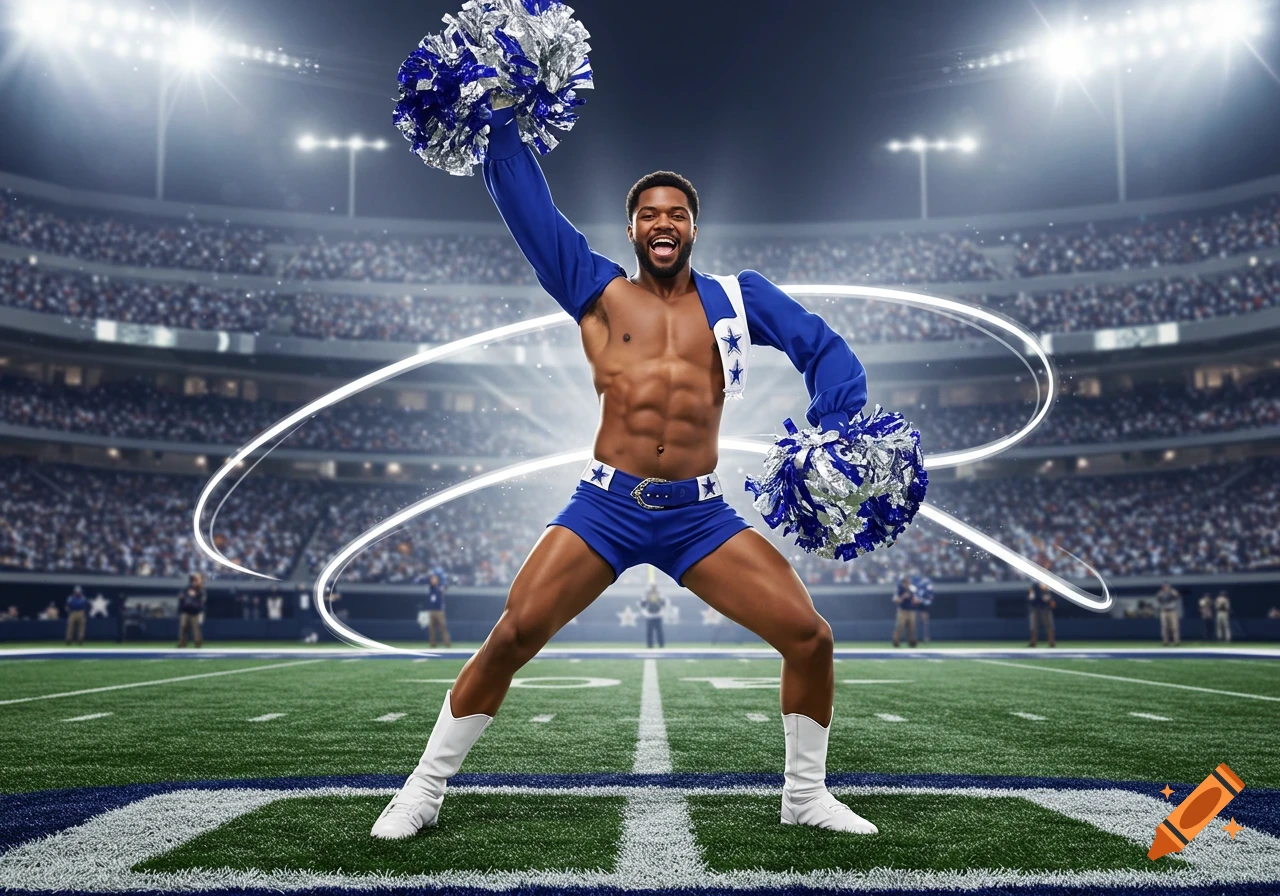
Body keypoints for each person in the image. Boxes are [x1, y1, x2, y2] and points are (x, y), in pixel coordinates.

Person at [371, 103, 877, 839]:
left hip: (700, 516)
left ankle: (804, 797)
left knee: (810, 637)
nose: (662, 223)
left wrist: (837, 425)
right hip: (605, 506)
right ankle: (422, 789)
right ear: (632, 229)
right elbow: (529, 207)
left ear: (694, 227)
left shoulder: (741, 298)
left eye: (676, 213)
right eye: (648, 214)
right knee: (513, 632)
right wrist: (502, 115)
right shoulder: (598, 291)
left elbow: (823, 347)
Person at [177, 573, 206, 649]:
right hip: (186, 611)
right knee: (183, 627)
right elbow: (181, 597)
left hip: (195, 612)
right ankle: (182, 643)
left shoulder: (201, 590)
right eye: (193, 580)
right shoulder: (187, 588)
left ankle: (198, 644)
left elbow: (202, 602)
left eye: (195, 580)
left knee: (196, 629)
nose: (194, 581)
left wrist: (195, 595)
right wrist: (183, 597)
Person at [424, 567, 451, 648]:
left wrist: (442, 578)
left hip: (439, 610)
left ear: (438, 579)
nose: (433, 580)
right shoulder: (431, 587)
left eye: (435, 579)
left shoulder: (440, 587)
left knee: (443, 626)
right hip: (432, 610)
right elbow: (427, 579)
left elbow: (446, 585)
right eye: (432, 579)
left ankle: (447, 643)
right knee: (432, 628)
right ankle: (433, 643)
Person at [891, 577, 919, 648]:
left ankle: (911, 642)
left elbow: (916, 599)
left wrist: (915, 600)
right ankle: (896, 642)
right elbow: (896, 600)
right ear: (903, 583)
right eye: (907, 583)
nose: (908, 584)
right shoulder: (899, 590)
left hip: (911, 611)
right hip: (902, 611)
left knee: (912, 627)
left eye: (909, 583)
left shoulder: (912, 590)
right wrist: (903, 597)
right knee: (900, 626)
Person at [639, 584, 667, 649]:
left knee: (659, 632)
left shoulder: (660, 594)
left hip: (658, 615)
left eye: (654, 587)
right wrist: (647, 600)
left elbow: (664, 603)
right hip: (649, 616)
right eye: (652, 587)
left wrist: (659, 600)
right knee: (649, 632)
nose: (653, 589)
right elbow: (642, 604)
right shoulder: (646, 595)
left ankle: (661, 645)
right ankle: (650, 646)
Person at [1156, 582, 1182, 647]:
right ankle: (1165, 641)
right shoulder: (1160, 593)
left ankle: (1176, 641)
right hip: (1164, 611)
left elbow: (1178, 596)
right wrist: (1164, 594)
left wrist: (1173, 593)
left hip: (1172, 611)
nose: (1165, 588)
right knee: (1164, 627)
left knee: (1174, 627)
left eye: (1167, 586)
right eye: (1164, 586)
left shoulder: (1172, 592)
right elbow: (1159, 599)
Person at [911, 575, 933, 644]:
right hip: (916, 606)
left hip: (923, 607)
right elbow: (913, 598)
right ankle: (914, 638)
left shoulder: (927, 588)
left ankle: (926, 637)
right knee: (914, 622)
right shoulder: (915, 587)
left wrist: (922, 600)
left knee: (925, 622)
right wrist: (916, 599)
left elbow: (930, 599)